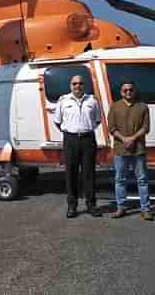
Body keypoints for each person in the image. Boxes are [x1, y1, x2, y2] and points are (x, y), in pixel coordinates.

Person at [54, 74, 102, 218]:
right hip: (71, 140)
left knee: (89, 174)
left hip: (88, 139)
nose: (77, 86)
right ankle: (72, 206)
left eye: (80, 83)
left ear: (84, 85)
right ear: (70, 86)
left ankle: (91, 205)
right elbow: (58, 121)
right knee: (71, 174)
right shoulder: (63, 100)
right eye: (74, 83)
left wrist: (84, 129)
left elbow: (97, 120)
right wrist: (70, 131)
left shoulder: (92, 100)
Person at [107, 80, 153, 220]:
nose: (128, 92)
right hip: (121, 150)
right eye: (125, 90)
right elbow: (111, 128)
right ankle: (121, 207)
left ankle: (145, 209)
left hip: (138, 149)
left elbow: (146, 128)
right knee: (120, 179)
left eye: (130, 90)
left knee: (142, 179)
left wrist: (132, 138)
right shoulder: (115, 106)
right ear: (121, 92)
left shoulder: (143, 107)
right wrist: (124, 139)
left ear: (135, 91)